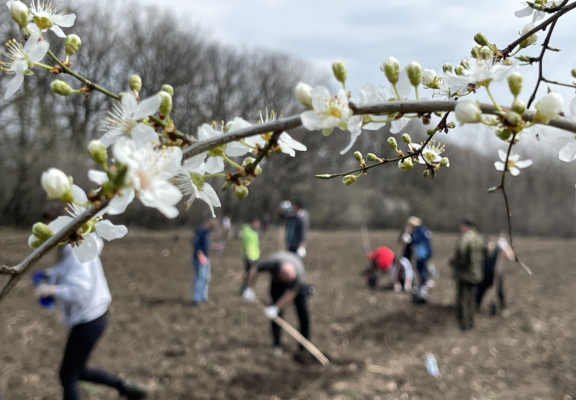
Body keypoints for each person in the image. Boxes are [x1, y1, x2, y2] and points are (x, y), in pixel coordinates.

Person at [34, 213, 146, 400]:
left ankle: (125, 387)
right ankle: (125, 388)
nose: (49, 240)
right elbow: (66, 272)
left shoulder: (76, 253)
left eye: (50, 234)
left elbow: (79, 291)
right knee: (78, 370)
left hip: (89, 319)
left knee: (68, 375)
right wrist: (48, 274)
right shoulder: (76, 248)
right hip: (92, 317)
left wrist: (51, 289)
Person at [241, 251, 311, 356]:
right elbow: (254, 268)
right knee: (277, 317)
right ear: (280, 273)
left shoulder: (297, 278)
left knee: (303, 312)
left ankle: (304, 346)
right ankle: (277, 344)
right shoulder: (273, 264)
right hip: (277, 284)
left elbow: (290, 294)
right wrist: (248, 287)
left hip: (298, 287)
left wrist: (276, 307)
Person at [450, 218, 485, 331]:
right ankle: (471, 320)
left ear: (465, 225)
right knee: (471, 297)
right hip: (476, 273)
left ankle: (464, 323)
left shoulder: (465, 238)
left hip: (465, 273)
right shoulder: (479, 237)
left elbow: (461, 252)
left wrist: (455, 263)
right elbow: (487, 252)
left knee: (463, 298)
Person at [476, 233, 514, 314]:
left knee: (499, 292)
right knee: (479, 292)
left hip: (496, 274)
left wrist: (505, 252)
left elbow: (510, 256)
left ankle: (503, 308)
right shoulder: (483, 250)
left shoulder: (499, 248)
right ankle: (476, 307)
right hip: (485, 275)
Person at [191, 219, 217, 305]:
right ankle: (197, 298)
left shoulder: (207, 233)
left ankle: (204, 297)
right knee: (200, 278)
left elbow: (206, 245)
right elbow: (196, 244)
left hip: (206, 258)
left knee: (206, 278)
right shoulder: (200, 231)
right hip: (200, 259)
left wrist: (215, 247)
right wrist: (199, 255)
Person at [404, 216, 433, 287]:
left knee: (420, 268)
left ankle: (424, 282)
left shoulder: (419, 230)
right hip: (425, 252)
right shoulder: (424, 229)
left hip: (422, 253)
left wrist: (410, 240)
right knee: (422, 267)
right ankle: (424, 281)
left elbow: (417, 240)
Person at [241, 217, 261, 287]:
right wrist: (248, 255)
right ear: (252, 223)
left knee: (252, 273)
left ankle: (247, 287)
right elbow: (247, 245)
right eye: (257, 223)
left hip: (255, 255)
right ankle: (247, 288)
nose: (258, 225)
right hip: (250, 256)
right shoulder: (248, 232)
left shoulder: (254, 232)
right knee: (250, 273)